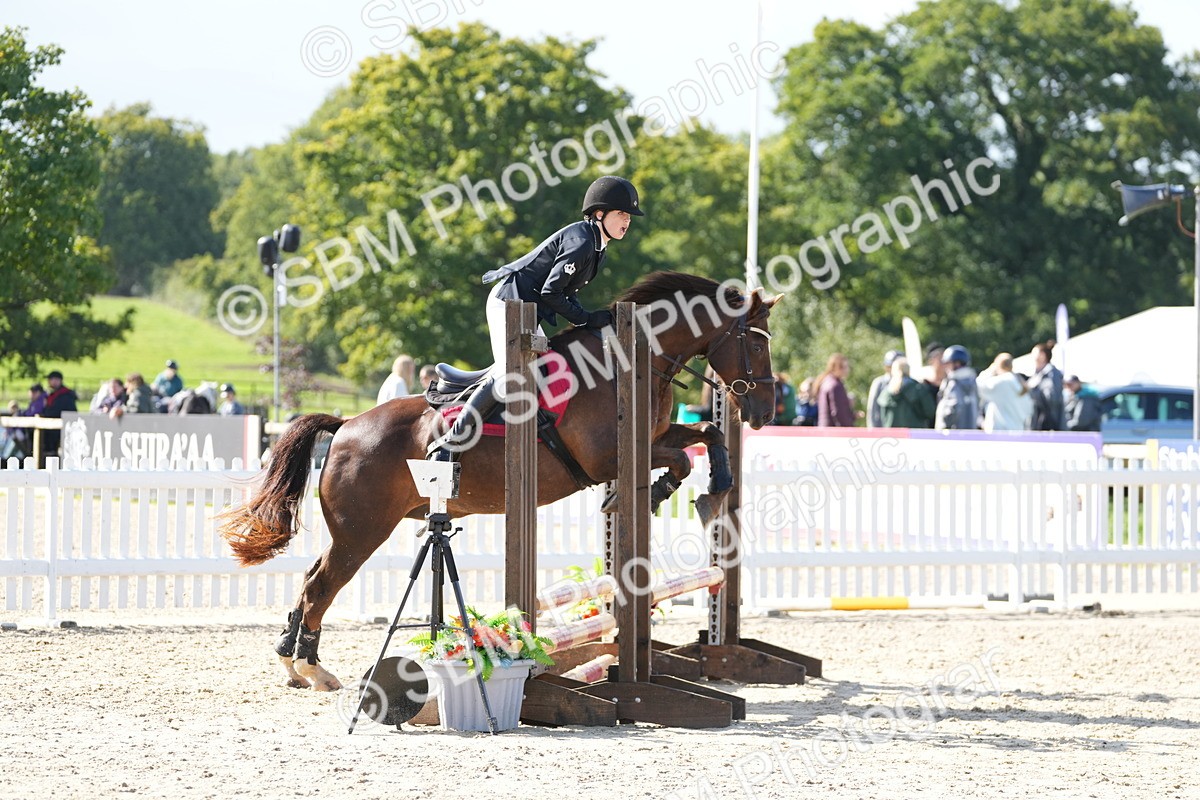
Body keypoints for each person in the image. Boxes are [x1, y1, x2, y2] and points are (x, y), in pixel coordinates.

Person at [428, 175, 644, 461]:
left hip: (528, 309)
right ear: (599, 213)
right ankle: (450, 443)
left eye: (628, 215)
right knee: (510, 373)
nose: (626, 221)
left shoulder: (596, 246)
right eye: (621, 214)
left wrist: (587, 317)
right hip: (509, 303)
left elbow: (566, 292)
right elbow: (551, 291)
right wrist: (585, 319)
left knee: (545, 368)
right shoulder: (581, 243)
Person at [976, 353, 1033, 431]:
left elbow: (977, 385)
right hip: (1018, 430)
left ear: (997, 365)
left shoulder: (999, 383)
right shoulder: (1019, 383)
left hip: (1000, 432)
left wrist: (990, 370)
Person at [877, 357, 935, 428]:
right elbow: (930, 412)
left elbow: (880, 416)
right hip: (914, 434)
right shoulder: (918, 389)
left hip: (892, 436)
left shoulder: (886, 392)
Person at [935, 345, 980, 430]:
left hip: (952, 433)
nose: (945, 367)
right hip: (970, 431)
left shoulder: (953, 383)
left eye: (948, 363)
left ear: (957, 364)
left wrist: (944, 426)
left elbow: (952, 409)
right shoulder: (972, 382)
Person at [1026, 341, 1065, 431]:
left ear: (1042, 356)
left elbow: (1053, 398)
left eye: (1034, 354)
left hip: (1048, 425)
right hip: (1035, 422)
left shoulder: (1052, 374)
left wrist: (1034, 392)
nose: (1032, 357)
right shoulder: (1037, 375)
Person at [40, 370, 77, 463]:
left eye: (54, 379)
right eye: (51, 380)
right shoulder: (51, 394)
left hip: (61, 426)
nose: (52, 382)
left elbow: (58, 410)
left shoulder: (65, 395)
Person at [815, 353, 854, 427]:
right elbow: (838, 413)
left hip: (825, 429)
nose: (847, 370)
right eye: (844, 367)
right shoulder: (835, 386)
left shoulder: (825, 382)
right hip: (834, 432)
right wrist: (849, 428)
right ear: (835, 367)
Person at [866, 349, 902, 428]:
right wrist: (872, 428)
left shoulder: (906, 383)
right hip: (882, 429)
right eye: (888, 366)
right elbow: (872, 409)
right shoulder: (879, 383)